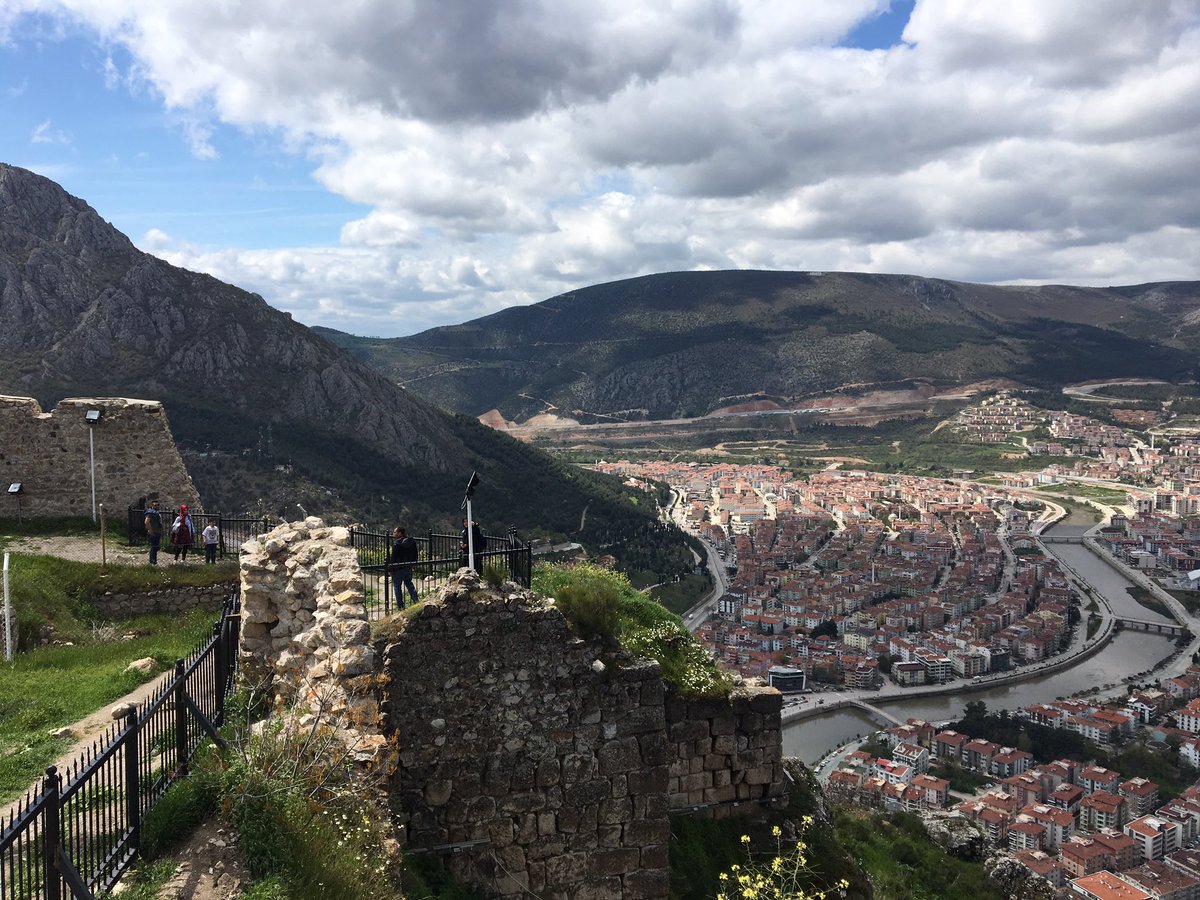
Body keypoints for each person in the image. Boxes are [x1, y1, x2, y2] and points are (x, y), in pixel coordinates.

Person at [389, 527, 419, 606]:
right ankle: (416, 601)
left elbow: (393, 558)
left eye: (395, 532)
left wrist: (390, 569)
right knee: (409, 584)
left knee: (397, 587)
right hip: (408, 567)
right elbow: (415, 554)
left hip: (398, 568)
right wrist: (414, 564)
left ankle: (400, 606)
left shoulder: (397, 544)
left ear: (400, 533)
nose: (393, 534)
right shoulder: (412, 542)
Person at [144, 500, 163, 565]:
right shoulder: (150, 513)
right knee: (154, 547)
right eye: (155, 505)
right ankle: (152, 561)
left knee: (155, 547)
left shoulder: (156, 513)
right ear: (152, 506)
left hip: (157, 532)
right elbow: (146, 522)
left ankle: (154, 561)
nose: (157, 506)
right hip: (153, 532)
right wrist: (151, 531)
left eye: (158, 505)